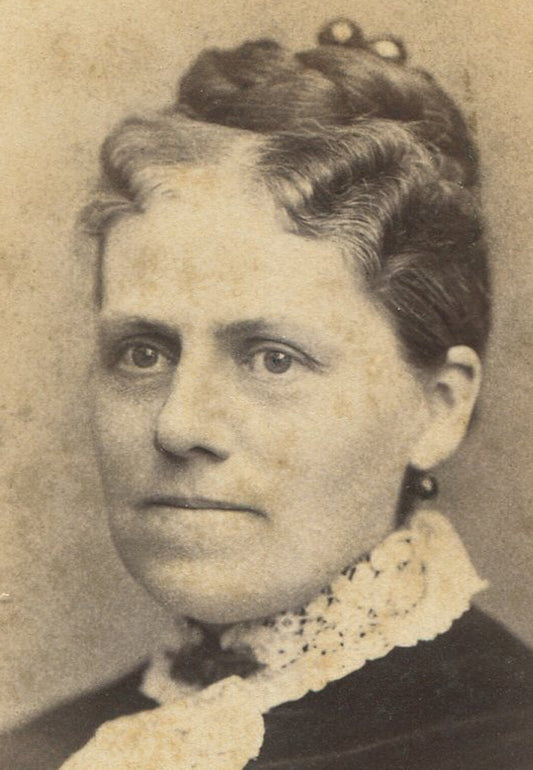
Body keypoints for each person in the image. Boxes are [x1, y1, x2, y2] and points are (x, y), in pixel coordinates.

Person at [2, 17, 533, 770]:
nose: (179, 424)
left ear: (438, 407)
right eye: (143, 353)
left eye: (273, 359)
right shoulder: (43, 749)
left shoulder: (506, 740)